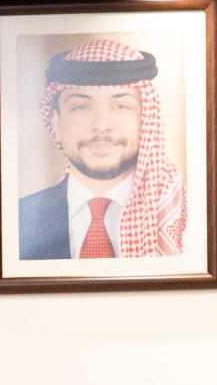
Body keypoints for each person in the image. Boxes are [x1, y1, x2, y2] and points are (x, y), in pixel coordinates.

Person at [19, 39, 186, 260]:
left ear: (145, 119)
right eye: (81, 107)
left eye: (120, 106)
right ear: (57, 124)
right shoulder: (17, 222)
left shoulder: (186, 219)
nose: (101, 124)